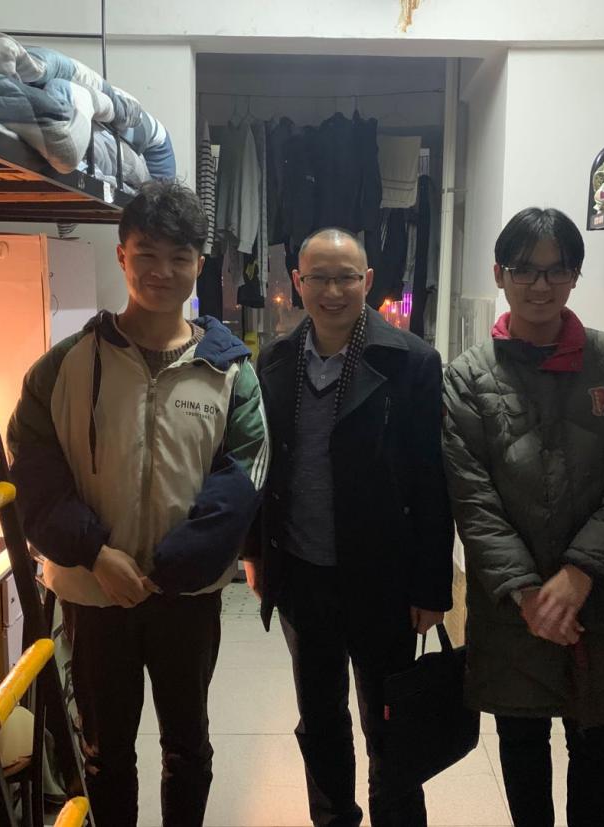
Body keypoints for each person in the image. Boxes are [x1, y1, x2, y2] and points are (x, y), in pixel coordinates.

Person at [6, 180, 269, 827]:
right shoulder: (64, 367)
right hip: (95, 592)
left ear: (199, 264)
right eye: (146, 253)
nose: (162, 271)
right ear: (122, 255)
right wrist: (96, 554)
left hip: (187, 596)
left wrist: (174, 567)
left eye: (179, 256)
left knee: (188, 746)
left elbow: (243, 480)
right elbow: (34, 472)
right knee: (105, 753)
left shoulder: (229, 371)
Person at [441, 208, 604, 827]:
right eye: (524, 270)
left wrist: (579, 576)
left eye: (556, 270)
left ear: (574, 277)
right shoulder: (468, 378)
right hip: (514, 609)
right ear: (500, 274)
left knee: (597, 752)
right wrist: (528, 594)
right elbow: (473, 500)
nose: (540, 285)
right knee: (522, 747)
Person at [243, 227, 454, 827]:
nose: (332, 291)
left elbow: (431, 479)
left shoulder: (411, 361)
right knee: (319, 717)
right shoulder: (276, 360)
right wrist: (257, 553)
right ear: (297, 283)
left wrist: (431, 588)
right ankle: (333, 818)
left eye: (346, 278)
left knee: (389, 721)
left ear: (368, 282)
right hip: (303, 571)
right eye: (319, 278)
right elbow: (260, 464)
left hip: (383, 577)